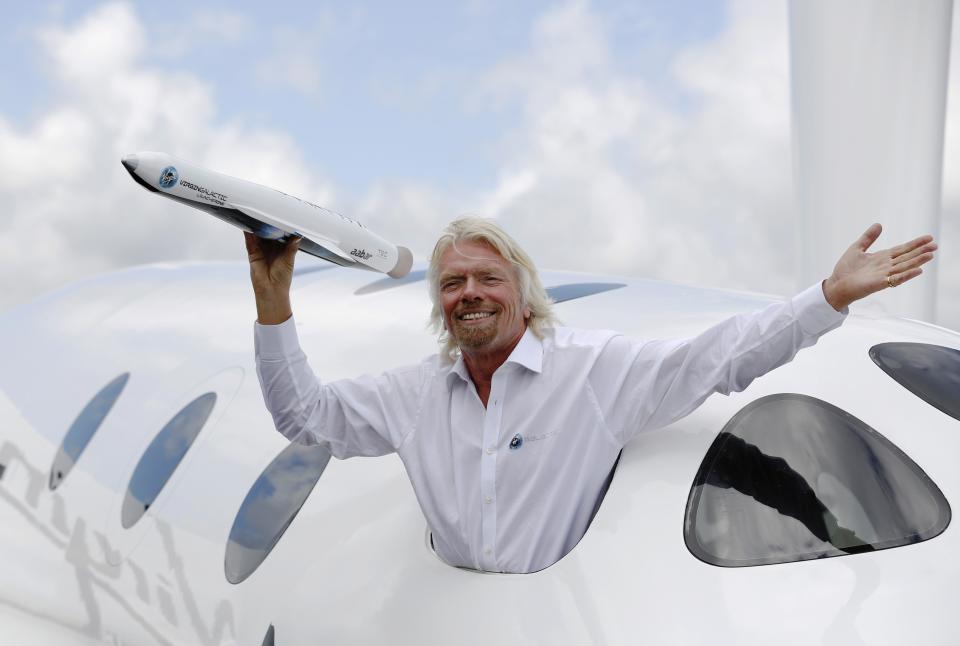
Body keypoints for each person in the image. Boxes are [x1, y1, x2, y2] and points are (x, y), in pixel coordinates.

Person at [244, 217, 937, 573]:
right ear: (440, 305)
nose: (470, 294)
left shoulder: (594, 372)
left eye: (487, 278)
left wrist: (826, 299)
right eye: (452, 285)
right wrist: (273, 301)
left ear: (521, 291)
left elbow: (719, 359)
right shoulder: (414, 394)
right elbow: (305, 418)